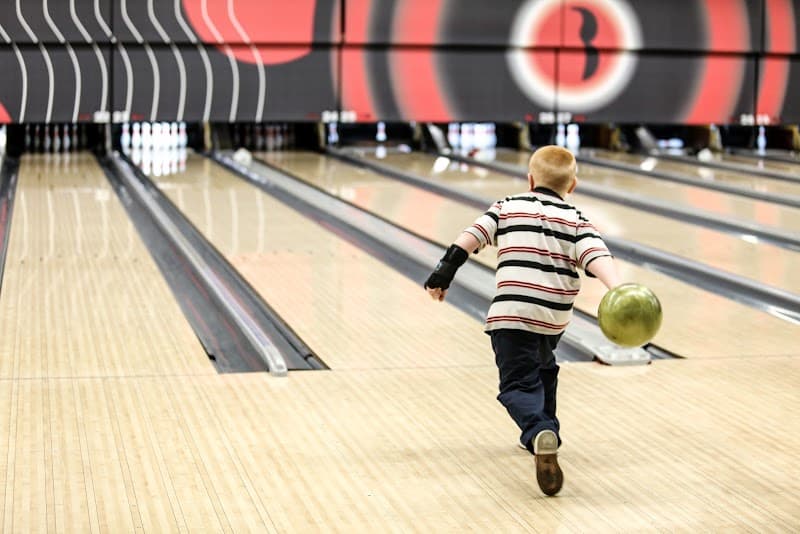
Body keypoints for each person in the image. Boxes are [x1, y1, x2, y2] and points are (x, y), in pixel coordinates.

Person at [424, 145, 621, 496]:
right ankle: (547, 433)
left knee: (517, 384)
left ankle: (538, 429)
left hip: (512, 313)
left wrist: (444, 272)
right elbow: (596, 256)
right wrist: (618, 290)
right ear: (572, 185)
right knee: (544, 369)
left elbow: (471, 238)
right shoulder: (576, 218)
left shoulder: (507, 205)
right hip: (552, 318)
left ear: (530, 179)